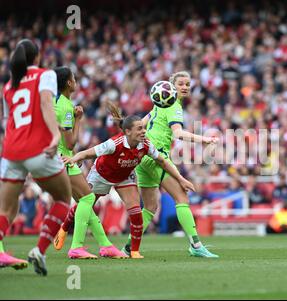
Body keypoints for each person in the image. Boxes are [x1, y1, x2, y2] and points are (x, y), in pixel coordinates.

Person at [63, 114, 195, 258]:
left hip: (124, 177)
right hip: (102, 175)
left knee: (136, 210)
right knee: (86, 204)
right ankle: (65, 228)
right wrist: (74, 158)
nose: (143, 131)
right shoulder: (115, 143)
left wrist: (181, 179)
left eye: (144, 128)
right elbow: (88, 153)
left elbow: (162, 161)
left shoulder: (145, 144)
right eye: (139, 129)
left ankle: (134, 251)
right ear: (128, 132)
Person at [122, 71, 219, 258]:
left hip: (143, 157)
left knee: (150, 207)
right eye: (181, 84)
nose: (185, 87)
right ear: (171, 86)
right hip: (156, 156)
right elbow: (178, 134)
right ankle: (196, 245)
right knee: (181, 198)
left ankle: (127, 248)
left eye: (188, 84)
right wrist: (204, 139)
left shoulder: (159, 102)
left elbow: (142, 123)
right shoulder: (173, 105)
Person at [0, 39, 72, 275]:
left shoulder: (9, 86)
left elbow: (7, 121)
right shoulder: (45, 75)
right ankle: (39, 251)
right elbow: (45, 103)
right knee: (63, 198)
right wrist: (54, 136)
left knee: (7, 210)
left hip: (11, 152)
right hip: (38, 149)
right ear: (37, 58)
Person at [51, 67, 125, 259]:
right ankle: (77, 247)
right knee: (88, 199)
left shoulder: (52, 101)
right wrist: (78, 120)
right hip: (62, 157)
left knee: (84, 200)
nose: (75, 81)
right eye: (74, 78)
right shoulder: (66, 106)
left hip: (51, 156)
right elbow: (70, 142)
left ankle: (105, 245)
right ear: (69, 83)